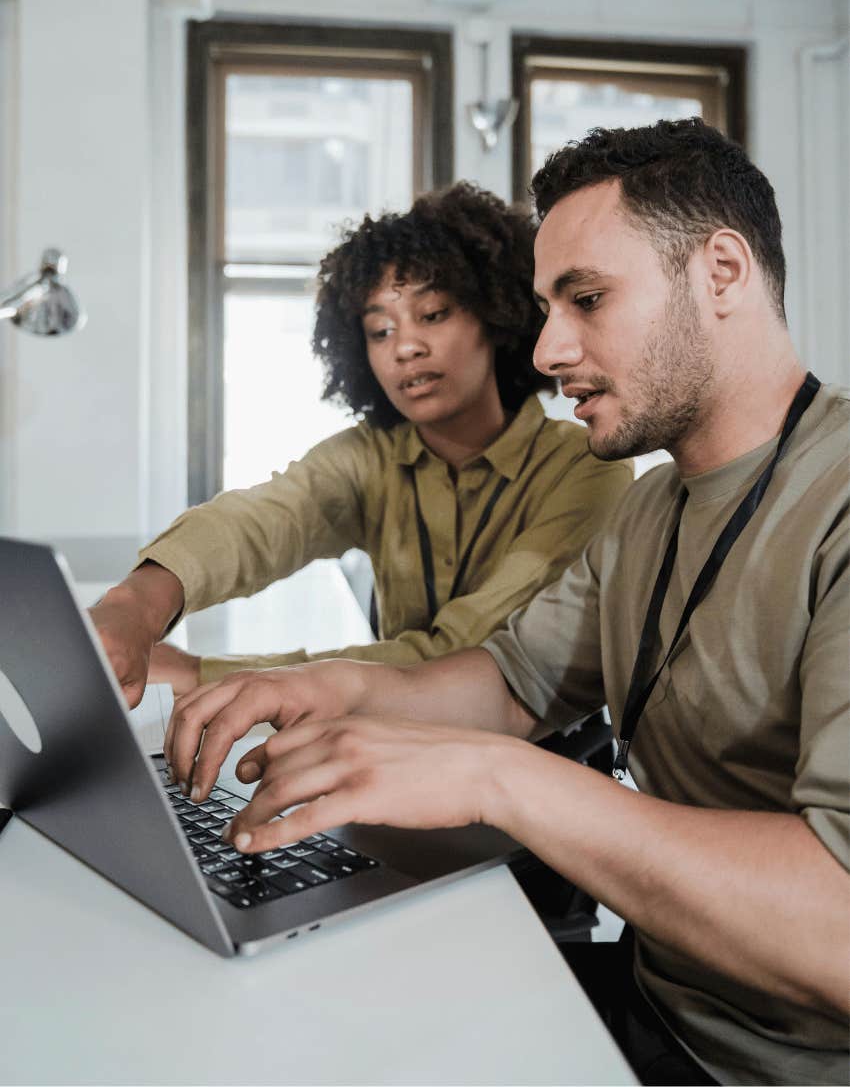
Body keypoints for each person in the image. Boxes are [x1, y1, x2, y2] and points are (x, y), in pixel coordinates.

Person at [161, 120, 849, 1087]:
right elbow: (511, 683)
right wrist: (323, 690)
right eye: (544, 307)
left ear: (722, 272)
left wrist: (499, 778)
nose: (551, 348)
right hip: (654, 1000)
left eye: (587, 299)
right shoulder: (650, 508)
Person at [91, 181, 631, 709]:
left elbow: (465, 656)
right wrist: (136, 602)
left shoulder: (585, 467)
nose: (406, 347)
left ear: (495, 316)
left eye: (433, 314)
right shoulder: (371, 456)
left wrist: (202, 676)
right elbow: (262, 522)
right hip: (383, 745)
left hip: (537, 757)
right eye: (379, 331)